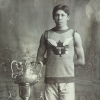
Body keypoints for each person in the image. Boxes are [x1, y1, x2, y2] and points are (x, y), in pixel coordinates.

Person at [36, 4, 85, 100]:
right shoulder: (46, 35)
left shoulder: (74, 35)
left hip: (68, 81)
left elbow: (81, 60)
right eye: (57, 15)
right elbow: (39, 59)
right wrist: (53, 62)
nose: (59, 18)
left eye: (62, 15)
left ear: (68, 17)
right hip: (50, 81)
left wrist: (65, 63)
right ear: (53, 16)